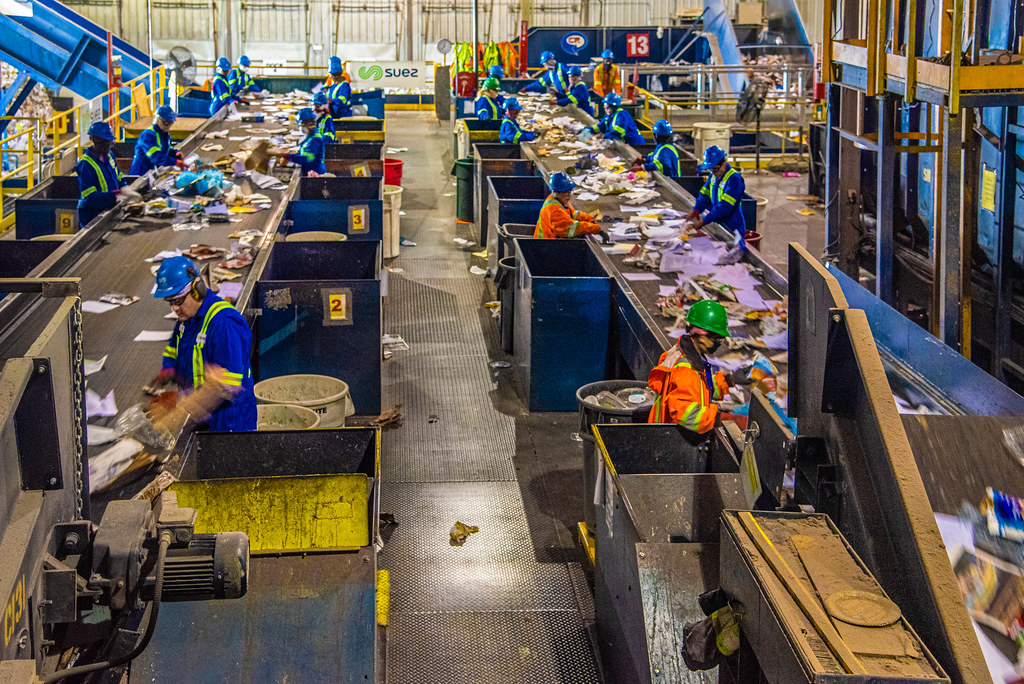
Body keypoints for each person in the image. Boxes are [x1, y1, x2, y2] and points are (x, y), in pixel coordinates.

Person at [151, 256, 256, 432]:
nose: (174, 308)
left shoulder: (224, 324)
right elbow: (176, 349)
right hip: (201, 419)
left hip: (227, 426)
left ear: (197, 290)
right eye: (170, 302)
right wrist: (168, 372)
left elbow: (225, 384)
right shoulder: (188, 319)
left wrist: (179, 411)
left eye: (178, 300)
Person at [647, 300, 736, 434]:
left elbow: (698, 388)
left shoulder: (686, 354)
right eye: (718, 339)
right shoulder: (685, 370)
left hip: (666, 433)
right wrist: (721, 418)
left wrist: (729, 381)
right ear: (702, 336)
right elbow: (687, 416)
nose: (719, 343)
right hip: (670, 441)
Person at [689, 145, 747, 262]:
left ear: (724, 164)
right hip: (720, 224)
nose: (712, 172)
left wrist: (704, 221)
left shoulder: (734, 179)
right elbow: (704, 195)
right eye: (710, 169)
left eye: (715, 169)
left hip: (732, 227)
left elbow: (725, 206)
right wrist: (696, 210)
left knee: (730, 261)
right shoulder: (714, 176)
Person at [77, 122, 127, 227]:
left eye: (111, 143)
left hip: (110, 211)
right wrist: (116, 195)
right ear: (96, 142)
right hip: (93, 218)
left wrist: (126, 190)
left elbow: (119, 178)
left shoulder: (109, 156)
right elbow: (90, 198)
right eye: (107, 144)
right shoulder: (86, 164)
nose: (109, 147)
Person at [534, 172, 602, 239]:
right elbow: (570, 227)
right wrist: (594, 228)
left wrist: (590, 219)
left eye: (570, 191)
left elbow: (573, 214)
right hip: (546, 246)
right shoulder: (554, 210)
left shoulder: (559, 201)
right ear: (556, 192)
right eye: (565, 192)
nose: (569, 195)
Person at [130, 105, 182, 175]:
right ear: (157, 120)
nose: (168, 125)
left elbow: (165, 150)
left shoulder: (164, 134)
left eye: (170, 123)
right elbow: (155, 156)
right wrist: (174, 162)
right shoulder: (148, 134)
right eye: (165, 122)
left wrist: (176, 153)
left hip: (152, 172)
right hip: (141, 174)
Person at [278, 108, 326, 176]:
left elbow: (307, 158)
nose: (300, 127)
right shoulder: (309, 136)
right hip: (309, 172)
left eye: (300, 124)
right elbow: (305, 151)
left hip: (316, 175)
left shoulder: (315, 139)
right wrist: (294, 154)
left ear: (307, 124)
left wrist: (288, 156)